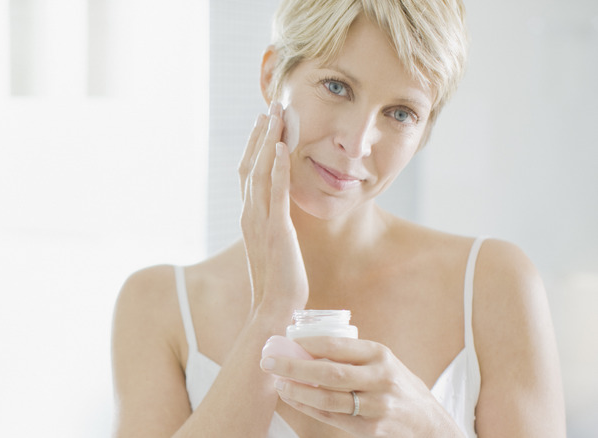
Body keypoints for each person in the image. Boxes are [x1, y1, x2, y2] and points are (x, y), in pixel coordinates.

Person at [111, 0, 566, 436]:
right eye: (337, 87)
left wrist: (429, 428)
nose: (357, 141)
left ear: (424, 131)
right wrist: (271, 312)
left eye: (400, 113)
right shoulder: (157, 308)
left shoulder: (495, 285)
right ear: (272, 76)